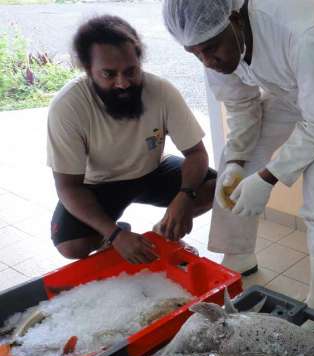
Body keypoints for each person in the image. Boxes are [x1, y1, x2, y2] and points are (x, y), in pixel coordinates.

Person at [163, 0, 314, 313]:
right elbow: (241, 106)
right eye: (195, 53)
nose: (207, 61)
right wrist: (237, 163)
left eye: (209, 49)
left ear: (234, 19)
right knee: (237, 160)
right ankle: (239, 254)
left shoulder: (306, 37)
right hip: (288, 86)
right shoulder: (217, 42)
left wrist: (267, 177)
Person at [47, 15, 216, 264]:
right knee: (72, 245)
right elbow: (68, 187)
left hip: (151, 170)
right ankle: (114, 234)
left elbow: (196, 154)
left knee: (217, 189)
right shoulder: (68, 106)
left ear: (139, 61)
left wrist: (185, 197)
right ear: (88, 70)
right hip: (98, 184)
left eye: (131, 71)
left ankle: (162, 234)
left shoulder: (161, 91)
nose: (123, 83)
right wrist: (115, 235)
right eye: (108, 74)